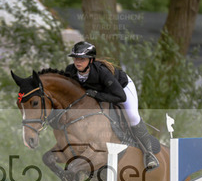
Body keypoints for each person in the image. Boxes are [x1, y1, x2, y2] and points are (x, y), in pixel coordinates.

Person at [64, 41, 159, 170]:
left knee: (132, 116)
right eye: (75, 58)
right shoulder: (70, 71)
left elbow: (120, 97)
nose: (77, 62)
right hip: (100, 92)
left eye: (82, 59)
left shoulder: (102, 72)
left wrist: (97, 95)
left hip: (121, 88)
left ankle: (149, 153)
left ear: (91, 60)